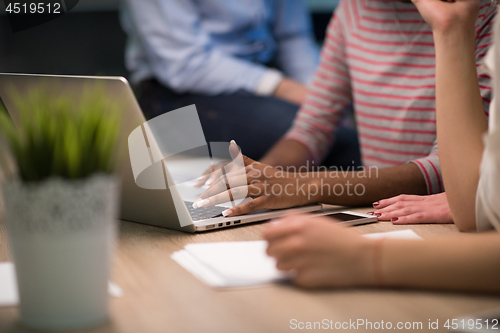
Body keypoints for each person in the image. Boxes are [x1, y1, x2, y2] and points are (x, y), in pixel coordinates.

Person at [261, 0, 500, 291]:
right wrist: (261, 177)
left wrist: (309, 185)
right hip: (377, 219)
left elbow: (452, 172)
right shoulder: (354, 9)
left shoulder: (478, 15)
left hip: (443, 231)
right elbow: (313, 125)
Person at [120, 0, 331, 161]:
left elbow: (291, 36)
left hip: (264, 85)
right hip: (182, 92)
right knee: (324, 136)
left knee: (331, 125)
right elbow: (183, 66)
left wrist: (318, 97)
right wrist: (283, 87)